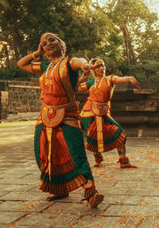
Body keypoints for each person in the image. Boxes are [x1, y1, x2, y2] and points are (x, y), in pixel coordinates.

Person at [16, 32, 104, 208]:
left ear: (60, 44)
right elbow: (21, 64)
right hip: (45, 114)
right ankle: (59, 189)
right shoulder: (44, 67)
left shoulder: (68, 62)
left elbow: (78, 61)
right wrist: (37, 53)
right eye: (44, 43)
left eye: (51, 40)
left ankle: (90, 190)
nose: (48, 44)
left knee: (75, 151)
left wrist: (85, 64)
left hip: (67, 113)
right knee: (42, 152)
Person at [78, 57, 141, 168]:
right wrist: (81, 78)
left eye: (103, 65)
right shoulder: (91, 83)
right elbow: (73, 88)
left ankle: (123, 161)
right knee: (93, 137)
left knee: (120, 134)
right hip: (88, 113)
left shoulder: (109, 79)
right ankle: (98, 161)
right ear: (93, 69)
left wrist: (130, 78)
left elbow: (119, 79)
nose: (102, 68)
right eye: (98, 66)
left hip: (103, 113)